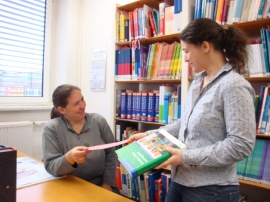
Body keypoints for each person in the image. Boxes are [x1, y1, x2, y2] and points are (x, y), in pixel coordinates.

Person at [128, 18, 256, 202]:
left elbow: (240, 145)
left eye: (187, 51)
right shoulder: (198, 80)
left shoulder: (234, 85)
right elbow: (185, 124)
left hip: (212, 190)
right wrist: (152, 135)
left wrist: (185, 157)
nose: (185, 58)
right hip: (181, 180)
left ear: (205, 46)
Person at [42, 84, 119, 193]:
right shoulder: (51, 128)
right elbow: (51, 167)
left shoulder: (98, 121)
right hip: (68, 186)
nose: (83, 105)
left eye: (82, 99)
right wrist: (69, 158)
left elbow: (111, 154)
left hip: (100, 184)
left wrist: (107, 184)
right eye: (76, 103)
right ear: (62, 109)